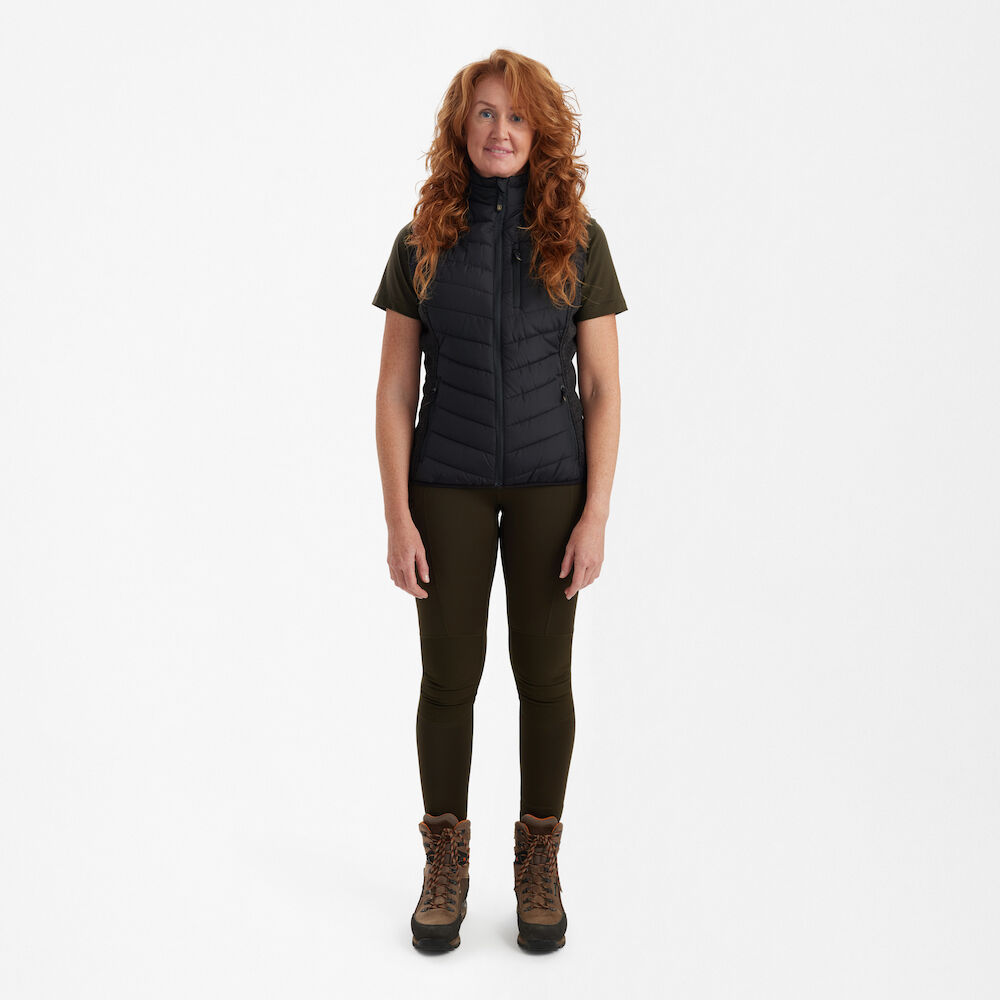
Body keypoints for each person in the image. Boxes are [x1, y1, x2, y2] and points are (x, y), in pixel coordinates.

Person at [372, 48, 627, 953]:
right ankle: (445, 864)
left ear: (541, 130)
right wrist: (397, 516)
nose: (501, 130)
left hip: (553, 483)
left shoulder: (579, 239)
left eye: (517, 116)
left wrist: (595, 514)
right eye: (484, 113)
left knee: (545, 679)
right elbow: (394, 389)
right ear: (461, 126)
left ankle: (538, 862)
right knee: (449, 681)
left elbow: (603, 389)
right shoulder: (422, 241)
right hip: (445, 482)